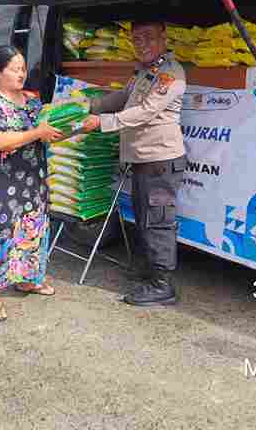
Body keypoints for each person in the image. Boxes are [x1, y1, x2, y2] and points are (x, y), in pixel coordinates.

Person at [82, 21, 187, 306]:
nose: (141, 43)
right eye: (136, 38)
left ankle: (162, 285)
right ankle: (150, 271)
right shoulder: (144, 71)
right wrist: (91, 105)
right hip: (144, 160)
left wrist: (102, 122)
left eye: (148, 37)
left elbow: (147, 112)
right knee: (144, 219)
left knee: (158, 222)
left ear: (163, 37)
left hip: (161, 161)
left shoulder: (170, 74)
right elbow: (124, 97)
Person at [0, 45, 63, 322]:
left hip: (32, 175)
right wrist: (37, 132)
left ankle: (27, 279)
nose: (21, 74)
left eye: (23, 68)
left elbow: (45, 133)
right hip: (0, 179)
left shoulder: (33, 102)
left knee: (31, 227)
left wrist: (74, 124)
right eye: (14, 68)